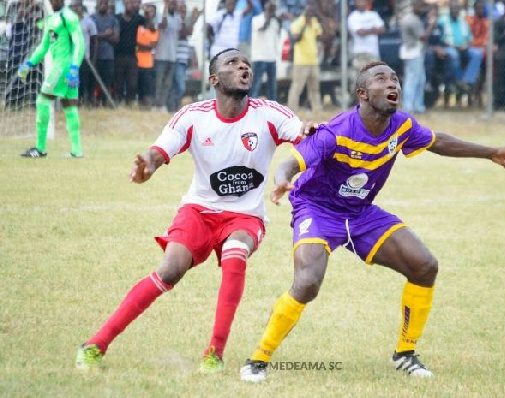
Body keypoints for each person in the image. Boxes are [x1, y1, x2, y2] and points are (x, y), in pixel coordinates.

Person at [240, 61, 505, 382]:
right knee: (307, 283)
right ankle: (258, 359)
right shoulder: (338, 130)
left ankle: (405, 353)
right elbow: (291, 163)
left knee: (424, 265)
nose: (393, 85)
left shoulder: (401, 125)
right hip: (317, 209)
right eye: (381, 79)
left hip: (361, 212)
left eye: (395, 79)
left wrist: (491, 152)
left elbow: (438, 141)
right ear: (362, 94)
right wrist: (281, 180)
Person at [75, 48, 317, 373]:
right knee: (169, 270)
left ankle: (214, 354)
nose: (243, 66)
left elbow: (300, 133)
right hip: (199, 210)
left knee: (235, 252)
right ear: (214, 79)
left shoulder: (269, 113)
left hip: (245, 216)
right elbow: (159, 151)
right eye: (233, 63)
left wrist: (311, 133)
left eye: (246, 63)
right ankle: (96, 344)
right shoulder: (193, 116)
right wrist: (148, 165)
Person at [19, 0, 85, 158]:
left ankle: (40, 149)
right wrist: (29, 63)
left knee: (42, 102)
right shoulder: (50, 19)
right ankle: (76, 151)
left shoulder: (68, 17)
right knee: (70, 107)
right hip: (65, 68)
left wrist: (75, 67)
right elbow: (43, 47)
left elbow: (79, 43)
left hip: (62, 68)